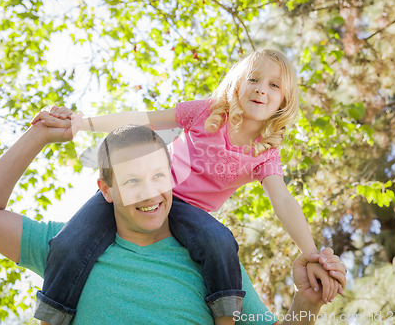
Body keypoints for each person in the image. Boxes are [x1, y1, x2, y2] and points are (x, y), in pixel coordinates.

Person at [34, 49, 344, 324]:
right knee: (68, 241)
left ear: (284, 100)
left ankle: (224, 319)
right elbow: (144, 120)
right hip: (143, 191)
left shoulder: (265, 154)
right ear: (238, 83)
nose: (262, 89)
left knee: (219, 240)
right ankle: (52, 316)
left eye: (274, 85)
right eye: (254, 79)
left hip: (188, 212)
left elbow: (283, 202)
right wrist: (84, 123)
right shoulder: (207, 112)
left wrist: (312, 253)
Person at [0, 115, 346, 325]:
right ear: (106, 190)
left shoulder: (213, 260)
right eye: (131, 181)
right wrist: (38, 135)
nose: (149, 193)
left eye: (158, 176)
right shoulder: (67, 247)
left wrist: (305, 305)